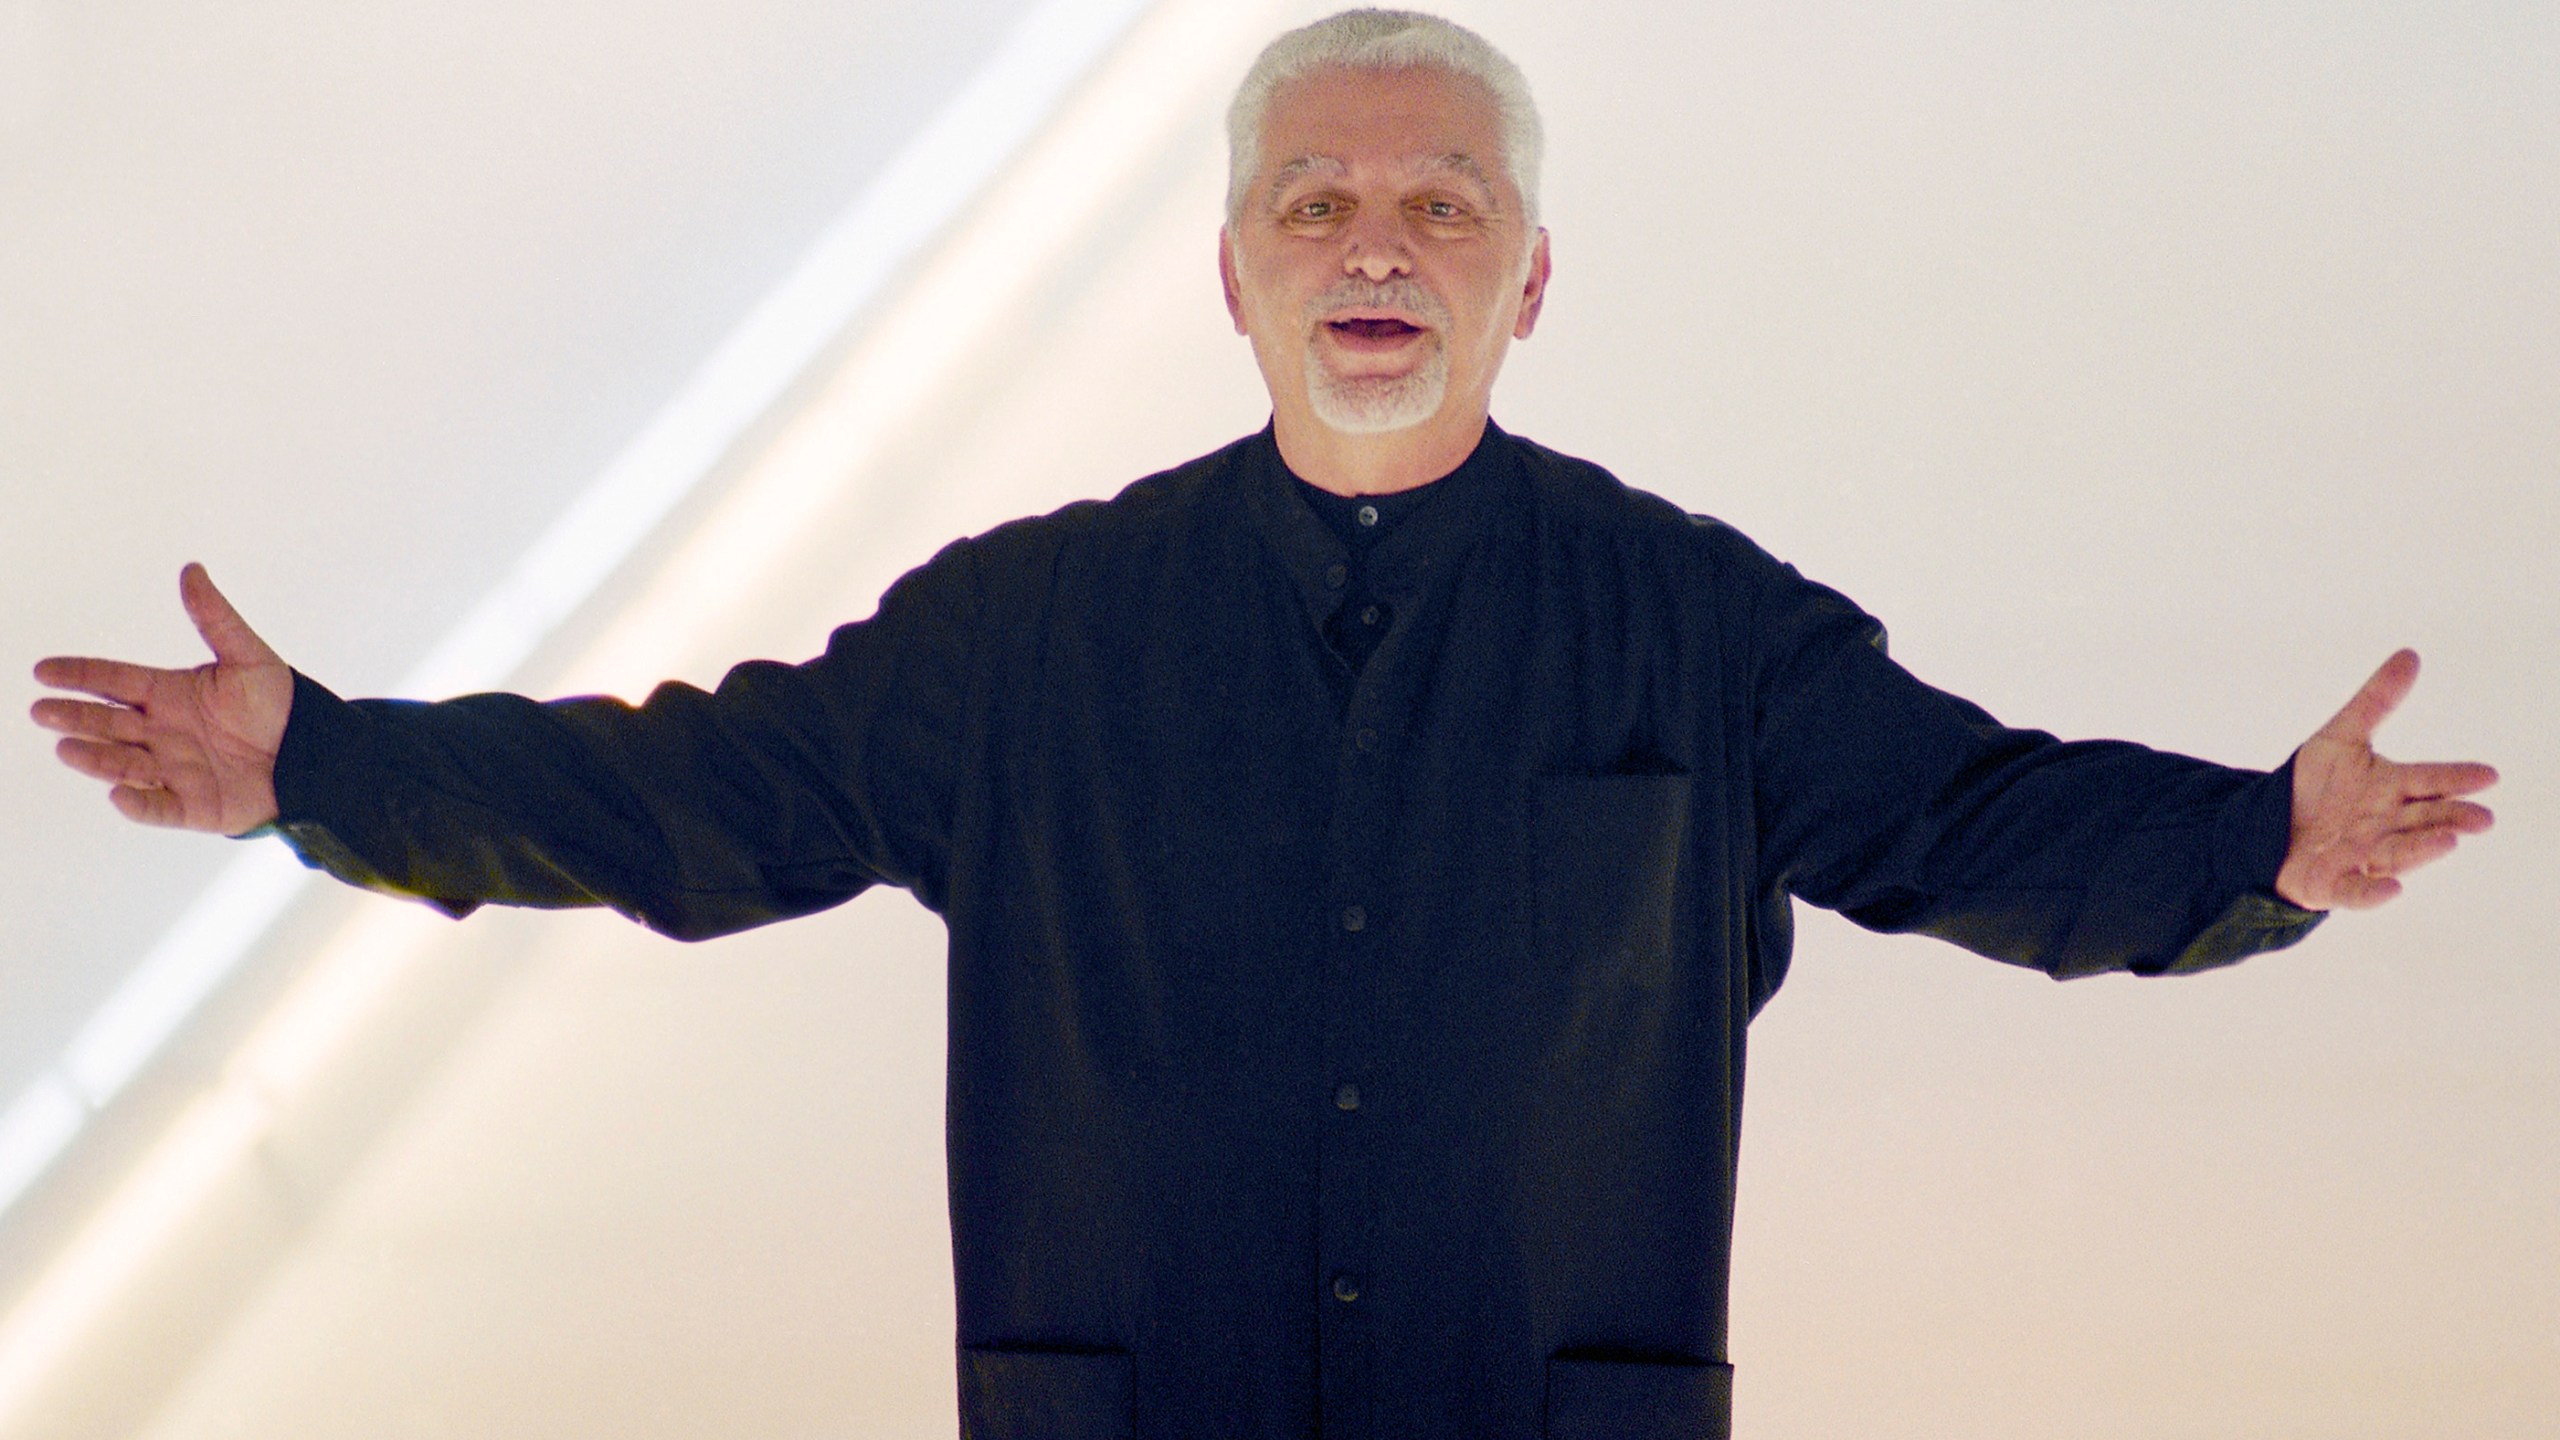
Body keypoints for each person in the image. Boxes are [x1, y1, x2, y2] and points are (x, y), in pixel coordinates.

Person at [29, 11, 2497, 1439]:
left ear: (1533, 274)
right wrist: (318, 764)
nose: (1376, 244)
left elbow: (1965, 817)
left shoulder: (1694, 622)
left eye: (1437, 206)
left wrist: (2256, 841)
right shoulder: (1026, 630)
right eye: (1313, 206)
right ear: (1228, 274)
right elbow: (692, 797)